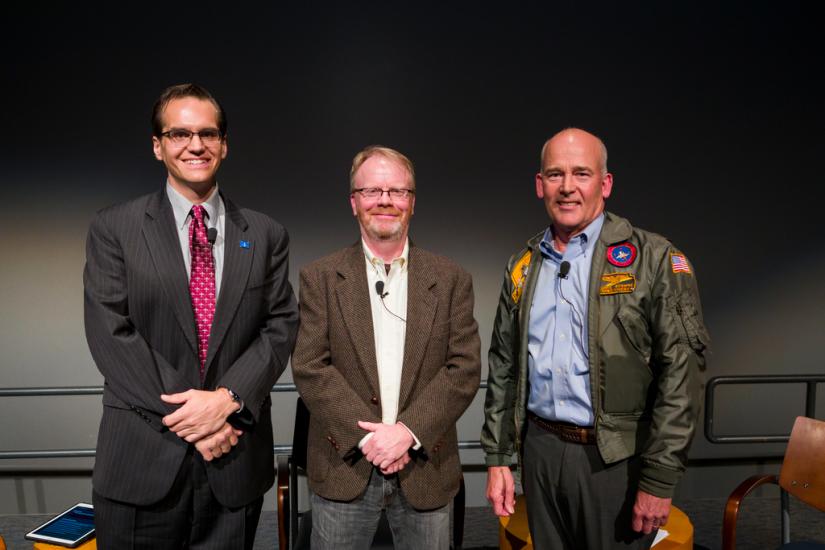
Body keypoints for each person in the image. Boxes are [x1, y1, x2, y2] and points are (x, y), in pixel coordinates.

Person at [83, 83, 299, 549]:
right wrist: (195, 420)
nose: (195, 145)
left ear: (224, 144)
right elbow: (110, 334)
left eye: (208, 134)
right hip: (141, 461)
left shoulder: (265, 234)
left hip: (233, 461)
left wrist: (227, 400)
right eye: (179, 134)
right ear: (157, 146)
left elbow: (279, 326)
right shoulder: (114, 228)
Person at [481, 128, 709, 549]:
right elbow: (504, 368)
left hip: (614, 459)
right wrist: (498, 459)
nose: (567, 187)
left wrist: (658, 478)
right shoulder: (523, 266)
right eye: (555, 174)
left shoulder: (654, 259)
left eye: (581, 173)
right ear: (539, 184)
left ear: (605, 184)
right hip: (541, 451)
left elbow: (681, 378)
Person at [291, 145, 481, 549]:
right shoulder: (320, 277)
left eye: (397, 191)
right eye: (372, 191)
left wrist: (408, 433)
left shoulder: (450, 279)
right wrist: (373, 440)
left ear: (412, 202)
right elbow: (310, 365)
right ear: (354, 202)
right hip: (346, 466)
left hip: (424, 466)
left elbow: (463, 368)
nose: (385, 201)